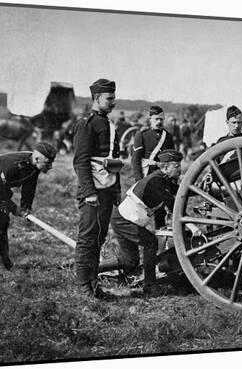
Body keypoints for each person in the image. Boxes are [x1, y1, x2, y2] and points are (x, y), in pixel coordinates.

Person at [100, 150, 194, 294]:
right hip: (123, 219)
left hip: (124, 218)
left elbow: (182, 190)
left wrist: (202, 188)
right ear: (165, 167)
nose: (180, 169)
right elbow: (173, 206)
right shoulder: (156, 181)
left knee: (130, 261)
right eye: (176, 166)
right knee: (150, 243)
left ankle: (93, 269)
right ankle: (150, 285)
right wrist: (192, 226)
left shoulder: (164, 179)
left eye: (179, 165)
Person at [0, 142, 56, 271]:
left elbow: (29, 188)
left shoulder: (34, 167)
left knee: (3, 224)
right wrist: (14, 209)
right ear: (37, 159)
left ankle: (5, 261)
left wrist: (26, 207)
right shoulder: (13, 165)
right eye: (48, 163)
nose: (51, 167)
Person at [73, 78, 122, 298]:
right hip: (92, 192)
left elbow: (115, 161)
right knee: (87, 238)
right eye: (109, 98)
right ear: (96, 98)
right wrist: (90, 193)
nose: (113, 102)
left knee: (100, 238)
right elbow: (80, 162)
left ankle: (93, 283)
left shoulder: (109, 125)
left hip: (108, 190)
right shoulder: (87, 124)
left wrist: (117, 191)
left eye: (113, 97)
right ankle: (84, 286)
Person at [131, 105, 175, 181]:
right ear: (150, 119)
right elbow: (136, 160)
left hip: (163, 175)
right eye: (156, 119)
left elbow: (172, 160)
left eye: (161, 119)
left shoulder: (168, 136)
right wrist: (139, 180)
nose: (159, 122)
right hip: (146, 174)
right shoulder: (142, 135)